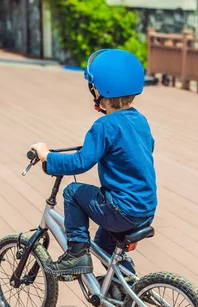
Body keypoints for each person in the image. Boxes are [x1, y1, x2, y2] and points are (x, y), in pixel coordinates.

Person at [30, 48, 157, 277]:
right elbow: (146, 148)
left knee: (73, 192)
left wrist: (47, 157)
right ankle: (127, 289)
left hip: (122, 209)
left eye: (94, 85)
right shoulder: (140, 120)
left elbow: (81, 162)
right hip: (145, 209)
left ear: (101, 90)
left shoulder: (104, 126)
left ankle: (76, 254)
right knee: (105, 245)